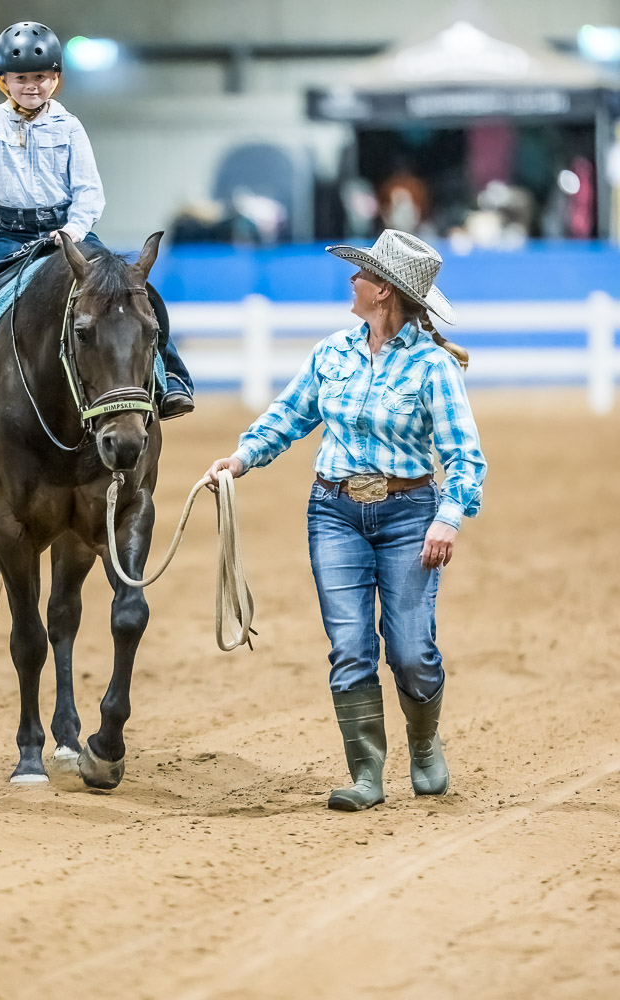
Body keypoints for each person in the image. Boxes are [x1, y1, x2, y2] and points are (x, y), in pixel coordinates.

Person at [204, 229, 486, 812]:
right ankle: (366, 772)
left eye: (361, 274)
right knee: (350, 647)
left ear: (382, 290)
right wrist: (241, 457)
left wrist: (448, 519)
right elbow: (289, 415)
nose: (351, 280)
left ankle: (424, 740)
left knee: (410, 650)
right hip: (332, 512)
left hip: (410, 514)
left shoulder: (433, 367)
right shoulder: (332, 352)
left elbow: (464, 456)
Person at [0, 21, 194, 422]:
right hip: (12, 234)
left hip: (71, 231)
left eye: (41, 77)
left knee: (134, 294)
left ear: (56, 78)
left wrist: (72, 230)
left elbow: (89, 190)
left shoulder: (70, 128)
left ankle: (170, 379)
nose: (32, 86)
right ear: (3, 81)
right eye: (21, 78)